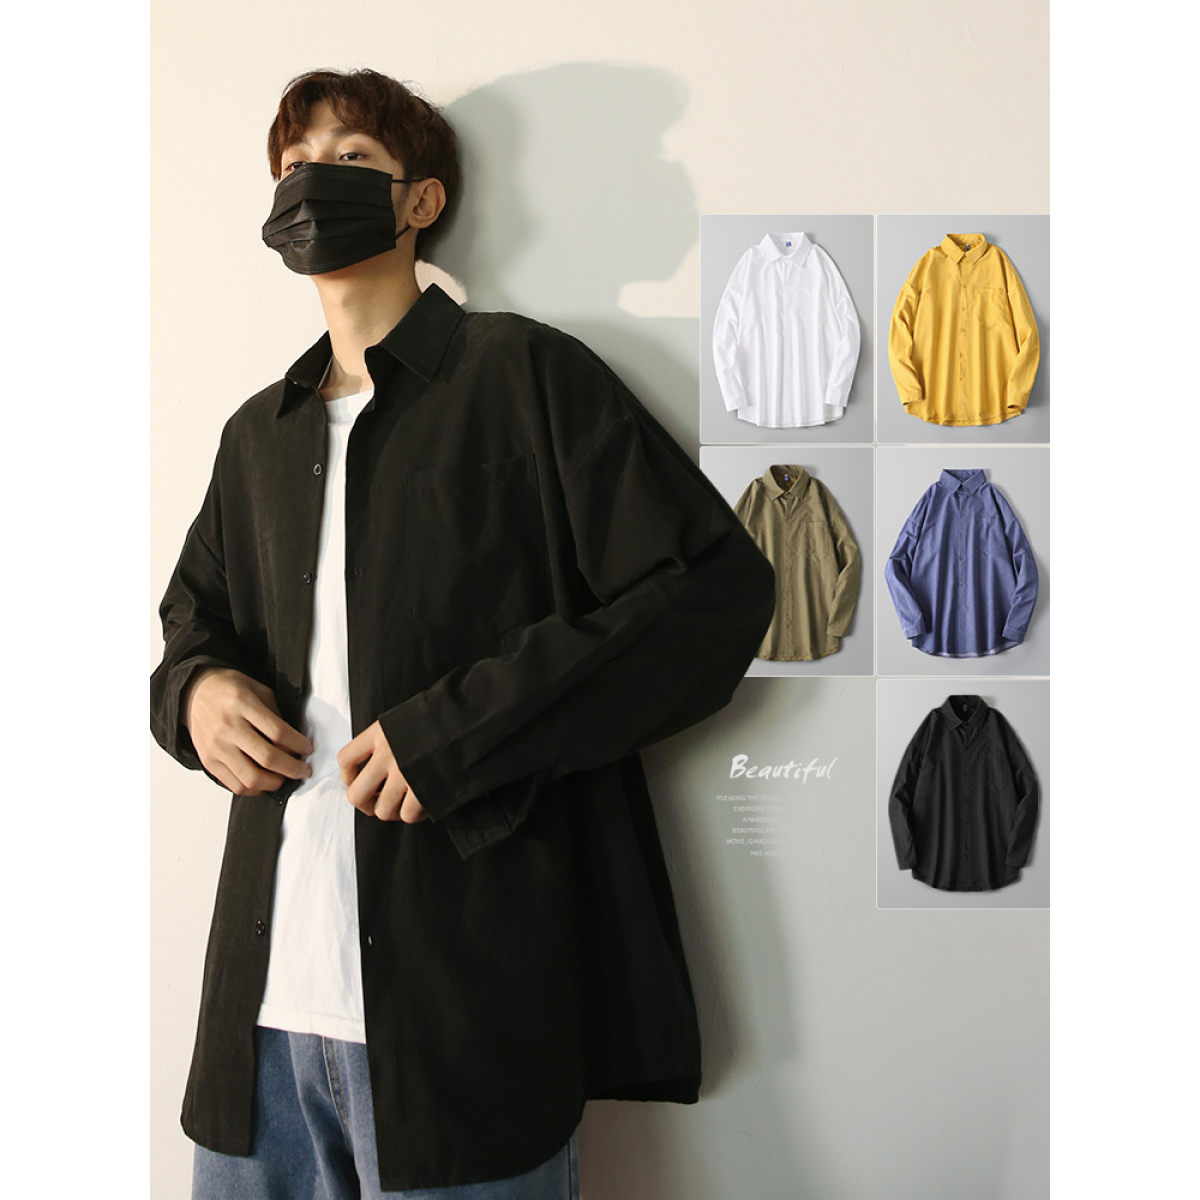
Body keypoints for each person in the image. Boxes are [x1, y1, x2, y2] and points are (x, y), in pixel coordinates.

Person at [151, 67, 775, 1199]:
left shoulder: (526, 377)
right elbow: (189, 624)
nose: (311, 183)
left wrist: (464, 733)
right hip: (259, 1030)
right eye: (293, 165)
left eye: (349, 160)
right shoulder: (257, 435)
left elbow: (712, 595)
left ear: (422, 199)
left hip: (462, 1021)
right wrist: (196, 696)